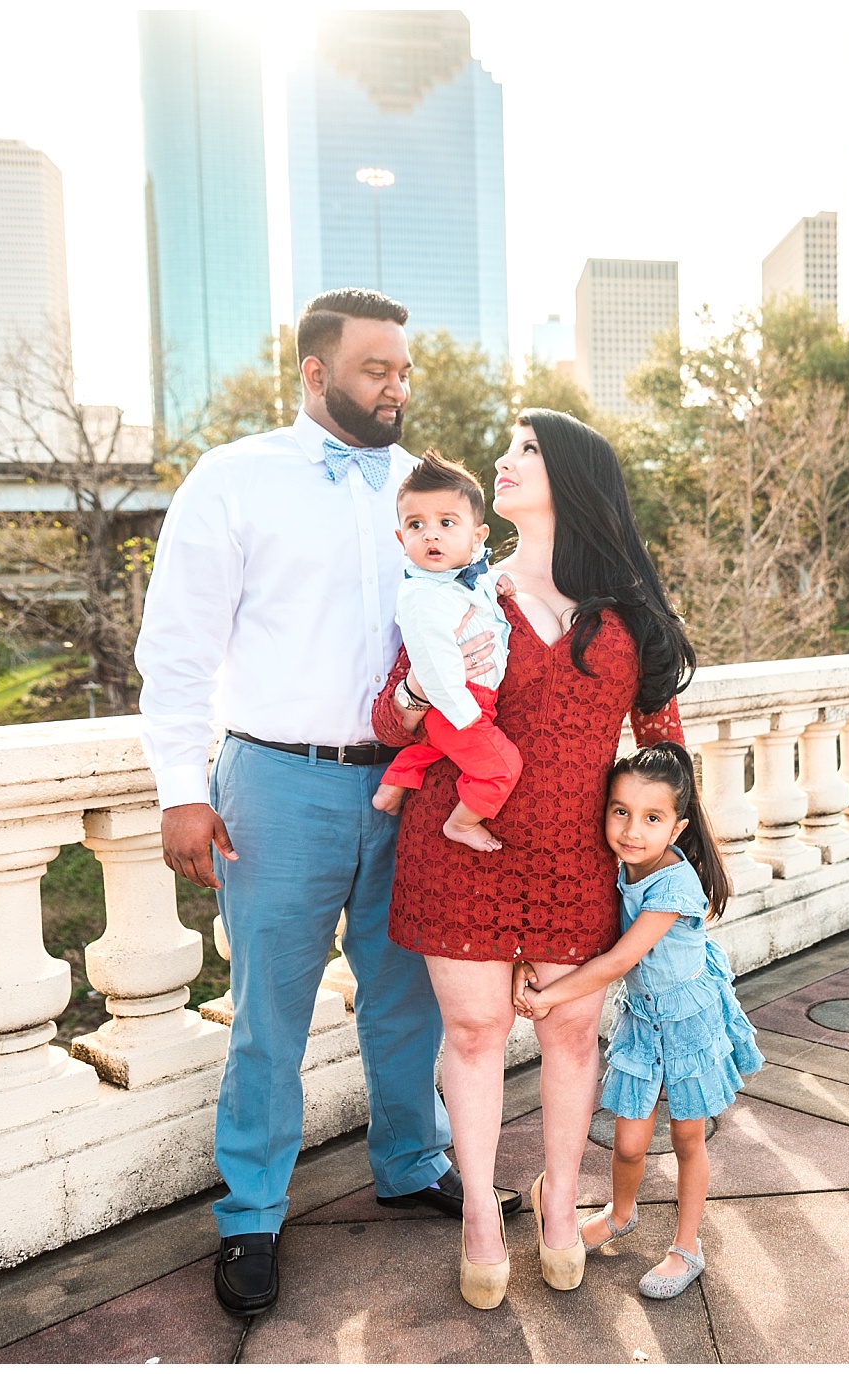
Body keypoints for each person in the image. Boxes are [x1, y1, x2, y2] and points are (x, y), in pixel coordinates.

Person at [136, 288, 515, 1320]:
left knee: (405, 999)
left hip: (412, 782)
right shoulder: (234, 479)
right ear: (314, 373)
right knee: (268, 1015)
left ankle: (409, 1161)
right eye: (374, 371)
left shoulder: (424, 493)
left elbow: (471, 622)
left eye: (403, 371)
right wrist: (179, 789)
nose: (396, 389)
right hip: (274, 784)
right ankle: (252, 1214)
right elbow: (175, 647)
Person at [370, 410, 695, 1310]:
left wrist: (668, 861)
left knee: (570, 1033)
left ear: (576, 477)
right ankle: (481, 1214)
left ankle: (559, 1208)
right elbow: (387, 718)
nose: (503, 463)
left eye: (526, 451)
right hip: (460, 846)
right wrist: (410, 692)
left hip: (575, 860)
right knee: (473, 1036)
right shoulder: (464, 588)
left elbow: (662, 746)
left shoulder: (627, 610)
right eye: (504, 449)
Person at [514, 741, 761, 1301]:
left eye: (652, 818)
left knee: (686, 1136)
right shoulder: (619, 863)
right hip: (645, 1018)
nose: (631, 829)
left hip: (688, 1017)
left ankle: (687, 1246)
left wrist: (549, 996)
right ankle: (619, 1213)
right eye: (620, 811)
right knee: (628, 1142)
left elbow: (620, 960)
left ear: (677, 828)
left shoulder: (673, 884)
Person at [371, 455, 520, 853]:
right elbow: (433, 666)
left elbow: (476, 579)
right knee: (504, 767)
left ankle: (394, 783)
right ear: (401, 539)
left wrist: (496, 580)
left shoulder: (461, 577)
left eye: (446, 523)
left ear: (477, 537)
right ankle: (463, 823)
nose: (431, 536)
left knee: (436, 748)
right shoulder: (422, 596)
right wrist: (465, 716)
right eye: (416, 525)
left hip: (467, 703)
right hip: (459, 703)